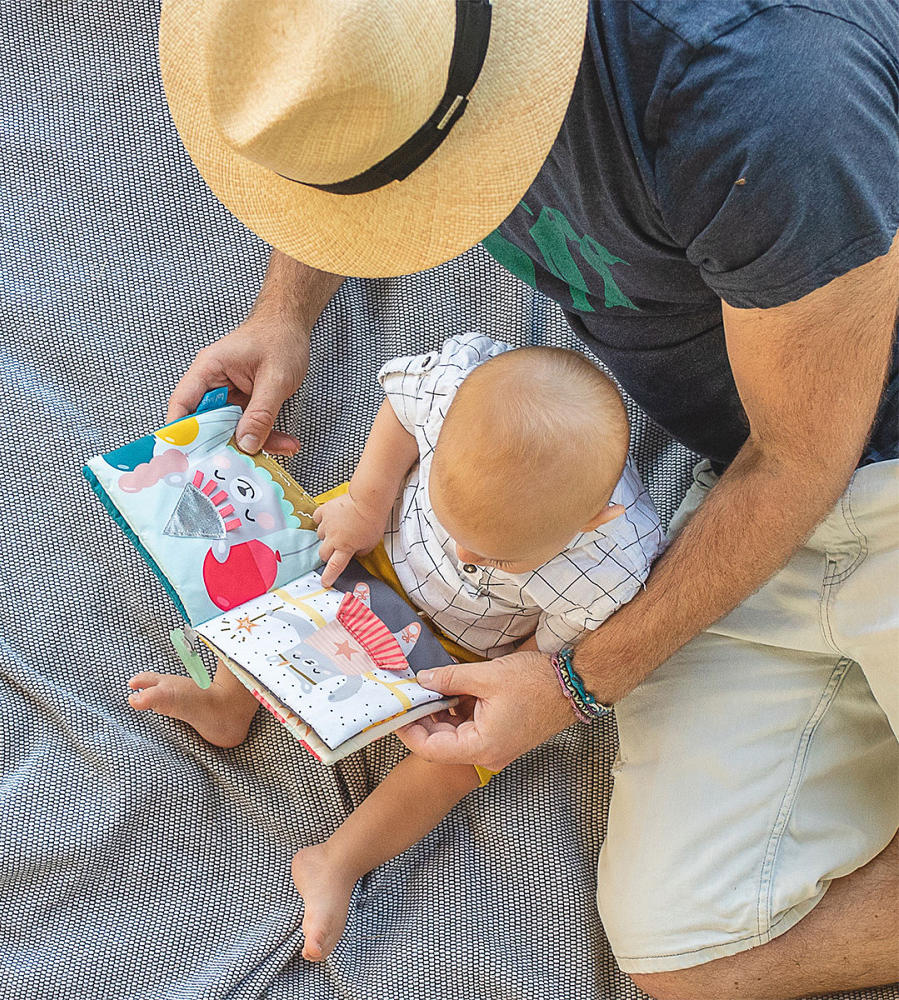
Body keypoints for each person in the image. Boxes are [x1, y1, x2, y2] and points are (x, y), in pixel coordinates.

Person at [157, 1, 899, 996]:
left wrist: (571, 687)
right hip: (750, 489)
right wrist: (283, 311)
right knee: (686, 951)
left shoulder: (759, 98)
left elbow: (805, 456)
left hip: (829, 457)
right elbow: (370, 127)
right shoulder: (411, 54)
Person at [129, 332, 665, 960]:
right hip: (371, 541)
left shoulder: (610, 565)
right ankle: (228, 699)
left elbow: (542, 663)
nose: (463, 556)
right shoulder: (457, 386)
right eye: (450, 518)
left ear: (591, 523)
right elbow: (399, 411)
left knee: (465, 756)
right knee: (282, 557)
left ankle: (340, 858)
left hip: (464, 645)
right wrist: (364, 499)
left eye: (495, 555)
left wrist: (490, 683)